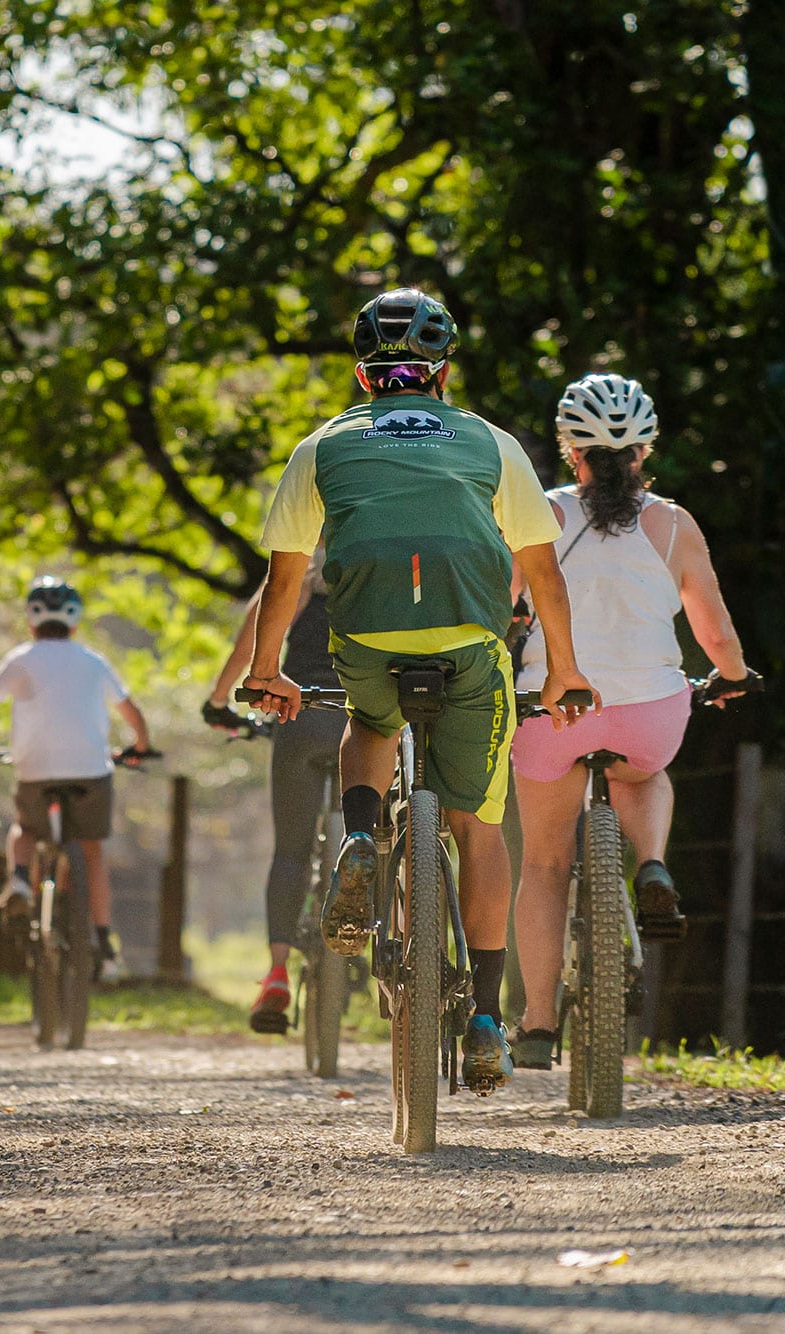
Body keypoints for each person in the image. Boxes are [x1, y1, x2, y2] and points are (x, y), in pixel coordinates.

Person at [242, 287, 597, 1093]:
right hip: (473, 640)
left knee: (369, 721)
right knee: (479, 829)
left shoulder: (324, 445)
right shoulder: (491, 442)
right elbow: (541, 571)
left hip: (367, 634)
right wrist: (566, 670)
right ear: (443, 371)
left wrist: (265, 675)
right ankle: (481, 1015)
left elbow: (287, 576)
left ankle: (362, 839)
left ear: (364, 377)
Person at [507, 373, 761, 1069]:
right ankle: (650, 864)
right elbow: (715, 631)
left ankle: (535, 1023)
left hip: (553, 710)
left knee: (544, 863)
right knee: (646, 776)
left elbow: (502, 608)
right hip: (647, 712)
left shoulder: (538, 516)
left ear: (570, 448)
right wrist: (733, 678)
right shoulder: (675, 524)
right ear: (644, 450)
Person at [0, 577, 153, 975]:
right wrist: (139, 746)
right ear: (74, 621)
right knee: (92, 851)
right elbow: (132, 712)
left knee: (25, 827)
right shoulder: (93, 660)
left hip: (35, 769)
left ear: (31, 620)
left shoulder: (20, 659)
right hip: (91, 769)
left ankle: (20, 879)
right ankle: (104, 944)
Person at [203, 558, 347, 1033]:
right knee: (376, 837)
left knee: (291, 851)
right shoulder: (386, 563)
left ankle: (278, 973)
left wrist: (220, 699)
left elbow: (256, 631)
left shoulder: (304, 569)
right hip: (363, 720)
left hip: (300, 714)